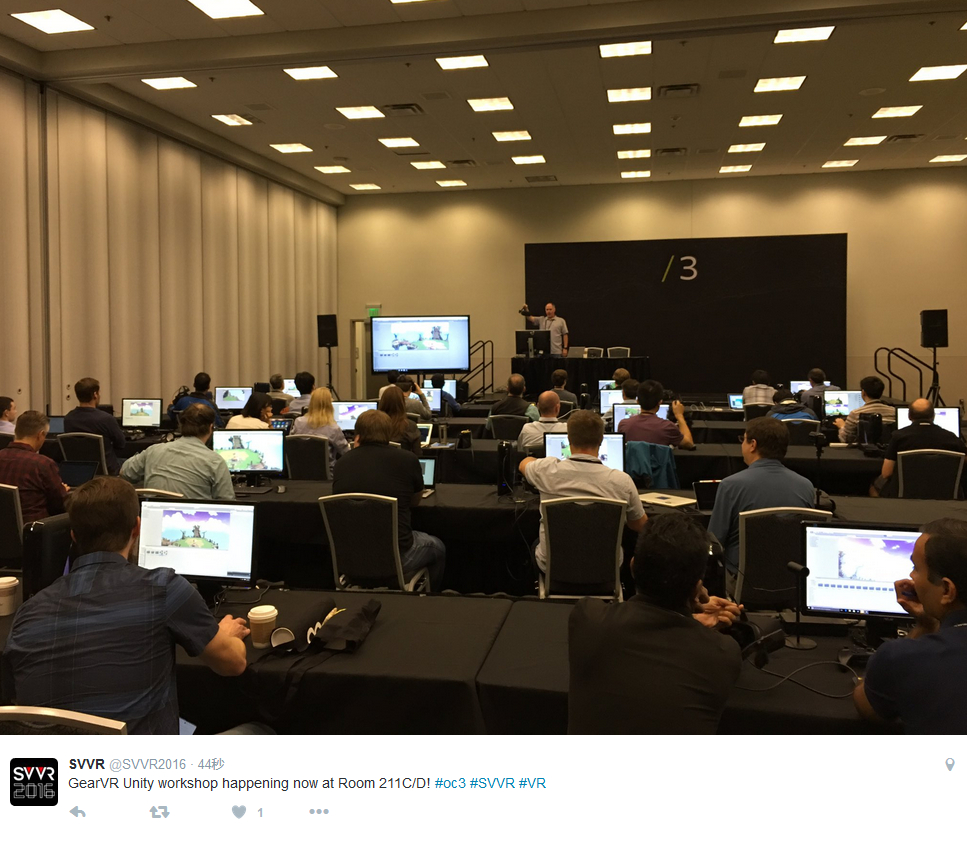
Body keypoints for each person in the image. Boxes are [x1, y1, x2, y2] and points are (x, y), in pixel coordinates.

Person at [2, 476, 250, 735]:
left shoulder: (26, 615)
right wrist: (225, 635)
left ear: (73, 535)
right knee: (258, 730)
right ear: (137, 528)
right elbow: (233, 664)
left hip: (48, 760)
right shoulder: (163, 588)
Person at [568, 513, 743, 734]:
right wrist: (687, 616)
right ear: (697, 587)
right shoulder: (724, 653)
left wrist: (686, 612)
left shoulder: (587, 618)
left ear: (632, 567)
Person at [854, 519, 967, 733]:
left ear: (947, 590)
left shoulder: (904, 656)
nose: (911, 577)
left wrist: (924, 626)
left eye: (916, 568)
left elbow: (868, 707)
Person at [520, 410, 647, 572]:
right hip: (606, 568)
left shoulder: (545, 470)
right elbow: (640, 525)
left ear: (569, 439)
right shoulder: (623, 481)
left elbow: (523, 464)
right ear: (601, 439)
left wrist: (538, 460)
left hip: (554, 567)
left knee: (534, 543)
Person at [331, 409, 445, 590]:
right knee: (438, 547)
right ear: (389, 433)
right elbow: (414, 501)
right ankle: (428, 599)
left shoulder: (342, 464)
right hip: (397, 558)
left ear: (357, 435)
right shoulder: (407, 459)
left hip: (351, 558)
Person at [708, 416, 815, 573]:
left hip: (741, 579)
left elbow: (714, 542)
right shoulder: (806, 486)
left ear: (753, 444)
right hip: (791, 577)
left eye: (743, 440)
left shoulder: (730, 485)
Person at [121, 403, 235, 500]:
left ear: (181, 425)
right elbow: (227, 503)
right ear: (211, 427)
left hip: (152, 517)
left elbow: (125, 472)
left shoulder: (153, 451)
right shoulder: (215, 462)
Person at [871, 398, 966, 498]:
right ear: (933, 416)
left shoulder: (898, 437)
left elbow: (886, 473)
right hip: (944, 494)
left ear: (909, 416)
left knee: (874, 487)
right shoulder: (952, 438)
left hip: (905, 494)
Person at [0, 410, 69, 522]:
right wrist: (63, 491)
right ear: (40, 435)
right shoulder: (43, 464)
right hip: (35, 528)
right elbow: (61, 505)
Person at [64, 377, 126, 474]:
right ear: (95, 394)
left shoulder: (68, 419)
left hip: (80, 470)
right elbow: (121, 444)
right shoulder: (106, 419)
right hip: (107, 470)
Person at [618, 380, 695, 450]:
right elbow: (689, 443)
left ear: (637, 401)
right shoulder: (668, 427)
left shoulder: (623, 425)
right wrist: (679, 415)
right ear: (660, 402)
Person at [291, 386, 349, 472]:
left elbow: (291, 446)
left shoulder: (298, 422)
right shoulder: (333, 428)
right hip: (327, 474)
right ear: (330, 405)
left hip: (300, 472)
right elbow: (346, 453)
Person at [835, 375, 896, 443]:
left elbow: (845, 439)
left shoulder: (855, 414)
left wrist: (842, 426)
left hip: (863, 449)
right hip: (889, 448)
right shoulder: (894, 412)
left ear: (863, 392)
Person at [378, 386, 421, 455]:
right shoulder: (410, 426)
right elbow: (418, 453)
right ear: (402, 403)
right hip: (404, 461)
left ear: (382, 402)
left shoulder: (374, 426)